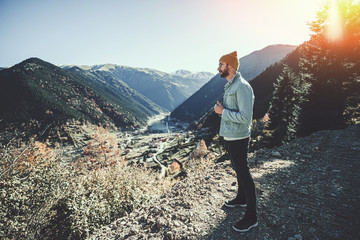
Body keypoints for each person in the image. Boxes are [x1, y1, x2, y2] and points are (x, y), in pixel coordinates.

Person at [214, 51, 257, 232]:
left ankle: (252, 216)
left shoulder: (242, 87)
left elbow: (246, 117)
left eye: (221, 64)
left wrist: (222, 112)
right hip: (231, 135)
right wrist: (222, 110)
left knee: (244, 172)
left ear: (230, 66)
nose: (218, 68)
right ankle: (241, 198)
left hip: (239, 136)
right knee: (237, 169)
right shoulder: (231, 85)